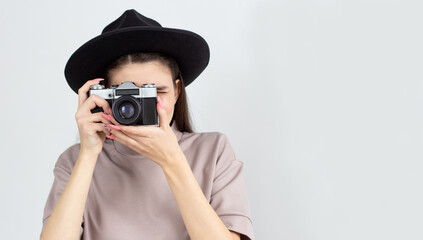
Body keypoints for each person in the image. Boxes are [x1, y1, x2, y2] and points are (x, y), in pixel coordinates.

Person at [40, 9, 254, 240]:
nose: (137, 106)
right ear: (103, 97)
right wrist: (88, 154)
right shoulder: (74, 160)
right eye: (126, 96)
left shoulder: (213, 150)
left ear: (177, 91)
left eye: (155, 92)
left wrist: (171, 159)